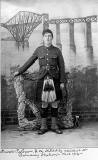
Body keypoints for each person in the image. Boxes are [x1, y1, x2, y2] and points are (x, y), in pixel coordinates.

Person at [14, 29, 65, 134]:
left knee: (55, 103)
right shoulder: (39, 50)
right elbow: (30, 61)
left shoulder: (57, 50)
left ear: (52, 38)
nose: (48, 38)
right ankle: (43, 126)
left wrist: (62, 81)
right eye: (46, 36)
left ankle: (55, 126)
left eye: (50, 36)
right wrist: (19, 71)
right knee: (44, 103)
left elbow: (62, 67)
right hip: (42, 79)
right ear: (43, 37)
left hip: (54, 79)